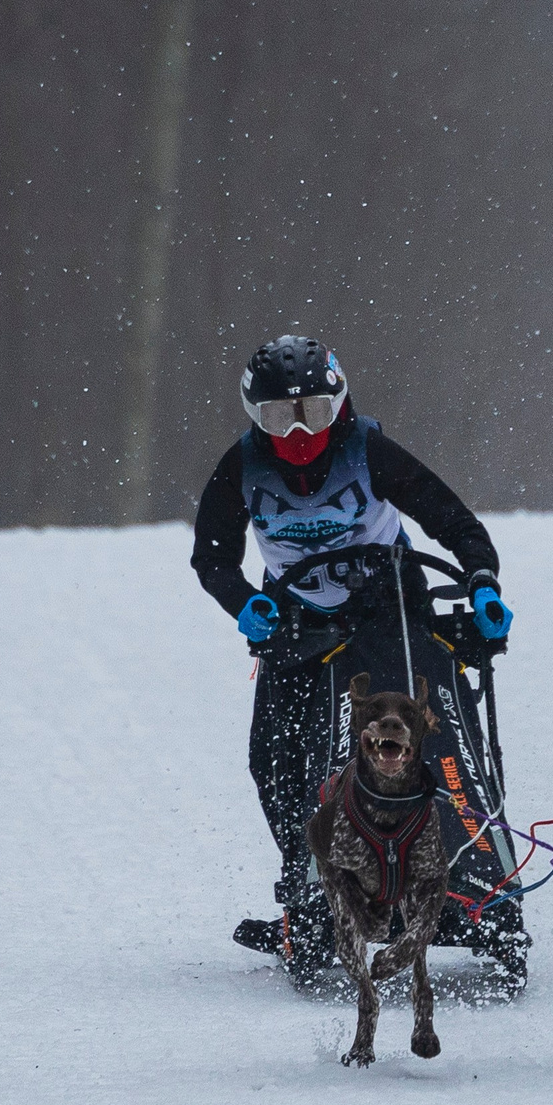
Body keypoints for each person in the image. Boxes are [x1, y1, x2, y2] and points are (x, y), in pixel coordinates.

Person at [191, 336, 512, 972]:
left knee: (410, 745)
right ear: (256, 418)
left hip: (387, 611)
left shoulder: (370, 450)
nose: (301, 430)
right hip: (295, 627)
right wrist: (243, 604)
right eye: (280, 417)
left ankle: (469, 884)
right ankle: (307, 894)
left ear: (338, 401)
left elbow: (458, 526)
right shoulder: (241, 468)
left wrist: (481, 581)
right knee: (275, 760)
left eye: (313, 408)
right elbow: (213, 559)